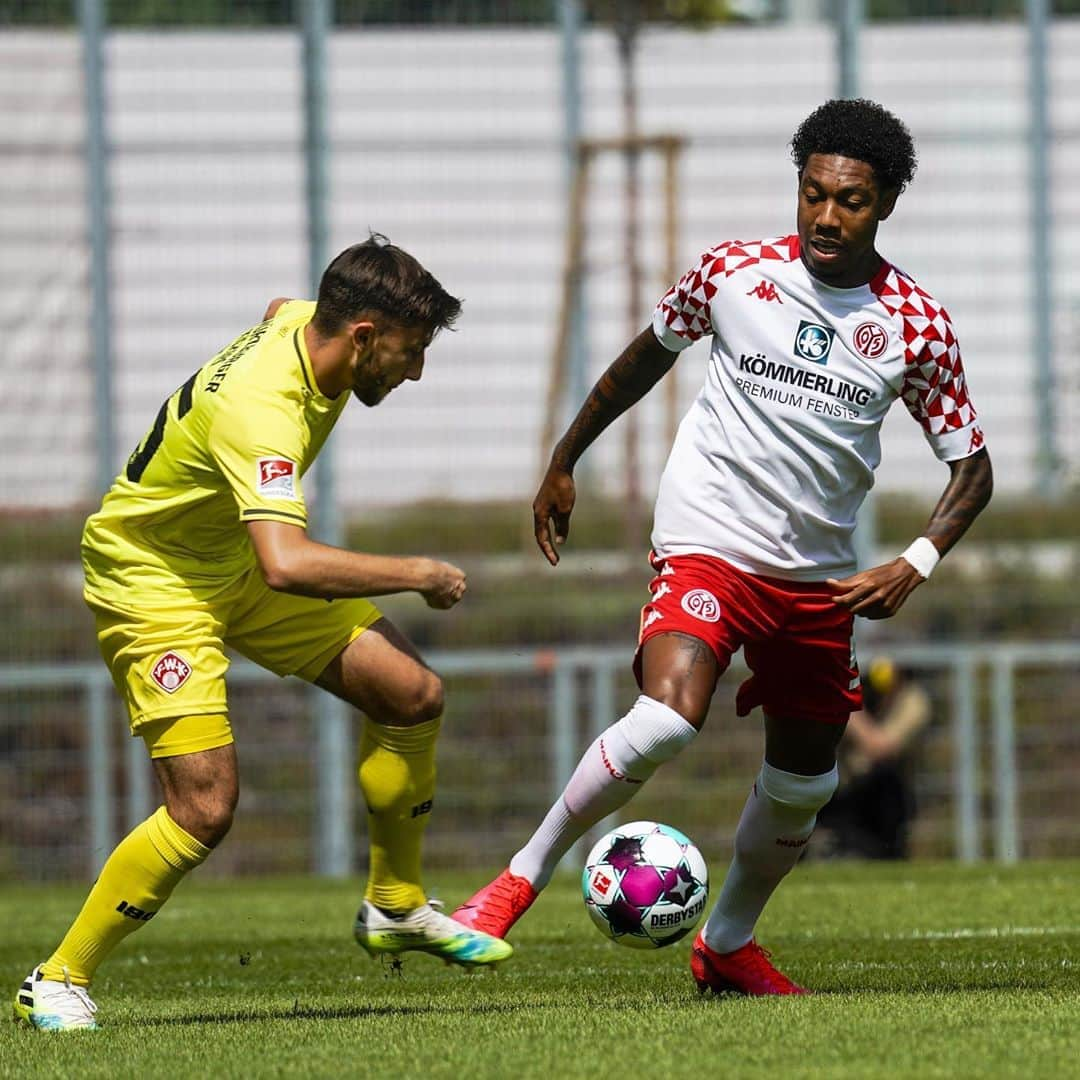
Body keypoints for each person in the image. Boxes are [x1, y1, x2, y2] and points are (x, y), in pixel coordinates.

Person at [452, 99, 993, 996]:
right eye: (812, 193)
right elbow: (644, 358)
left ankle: (728, 942)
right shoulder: (732, 273)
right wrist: (564, 457)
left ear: (886, 203)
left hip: (817, 578)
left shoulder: (916, 325)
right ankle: (515, 880)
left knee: (803, 784)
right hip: (706, 540)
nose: (825, 216)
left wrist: (915, 562)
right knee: (668, 714)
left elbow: (972, 472)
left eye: (850, 201)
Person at [14, 234, 511, 1032]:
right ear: (360, 337)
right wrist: (417, 570)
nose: (415, 371)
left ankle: (394, 904)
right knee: (205, 807)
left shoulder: (312, 324)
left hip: (229, 560)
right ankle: (59, 977)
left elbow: (279, 310)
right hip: (154, 578)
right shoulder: (262, 410)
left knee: (411, 694)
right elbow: (286, 563)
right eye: (410, 352)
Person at [816, 656, 932, 860]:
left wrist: (848, 709)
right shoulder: (849, 691)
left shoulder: (913, 700)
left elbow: (881, 747)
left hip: (886, 796)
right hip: (842, 791)